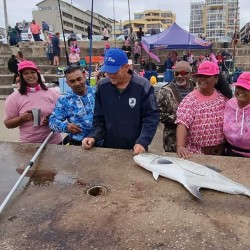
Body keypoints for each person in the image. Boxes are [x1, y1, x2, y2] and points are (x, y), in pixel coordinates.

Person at [82, 48, 159, 155]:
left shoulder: (143, 86)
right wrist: (93, 135)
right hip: (109, 147)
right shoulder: (102, 86)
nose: (110, 75)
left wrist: (143, 141)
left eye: (114, 71)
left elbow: (151, 116)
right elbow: (99, 118)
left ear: (126, 67)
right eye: (108, 71)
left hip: (136, 148)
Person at [176, 61, 232, 158]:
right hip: (196, 154)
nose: (202, 79)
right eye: (200, 76)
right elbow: (182, 123)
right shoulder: (190, 100)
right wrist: (180, 146)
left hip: (221, 154)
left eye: (207, 76)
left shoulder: (223, 98)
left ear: (216, 79)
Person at [4, 60, 62, 144]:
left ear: (37, 74)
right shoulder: (14, 97)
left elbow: (63, 114)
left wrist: (53, 119)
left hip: (54, 142)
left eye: (32, 72)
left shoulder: (53, 93)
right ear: (21, 76)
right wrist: (21, 119)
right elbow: (8, 124)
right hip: (29, 144)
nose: (30, 75)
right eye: (26, 73)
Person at [49, 66, 95, 146]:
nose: (77, 83)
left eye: (79, 79)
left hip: (100, 140)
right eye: (72, 81)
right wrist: (66, 126)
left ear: (84, 77)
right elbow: (52, 122)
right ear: (67, 83)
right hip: (78, 143)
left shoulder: (97, 93)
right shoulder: (64, 100)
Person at [157, 61, 196, 152]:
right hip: (172, 142)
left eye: (183, 73)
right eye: (176, 73)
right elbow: (157, 114)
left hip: (194, 143)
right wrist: (179, 118)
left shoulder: (197, 90)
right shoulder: (165, 92)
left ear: (190, 74)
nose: (179, 76)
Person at [223, 72, 250, 157]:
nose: (241, 91)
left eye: (246, 88)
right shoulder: (230, 104)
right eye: (239, 87)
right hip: (230, 153)